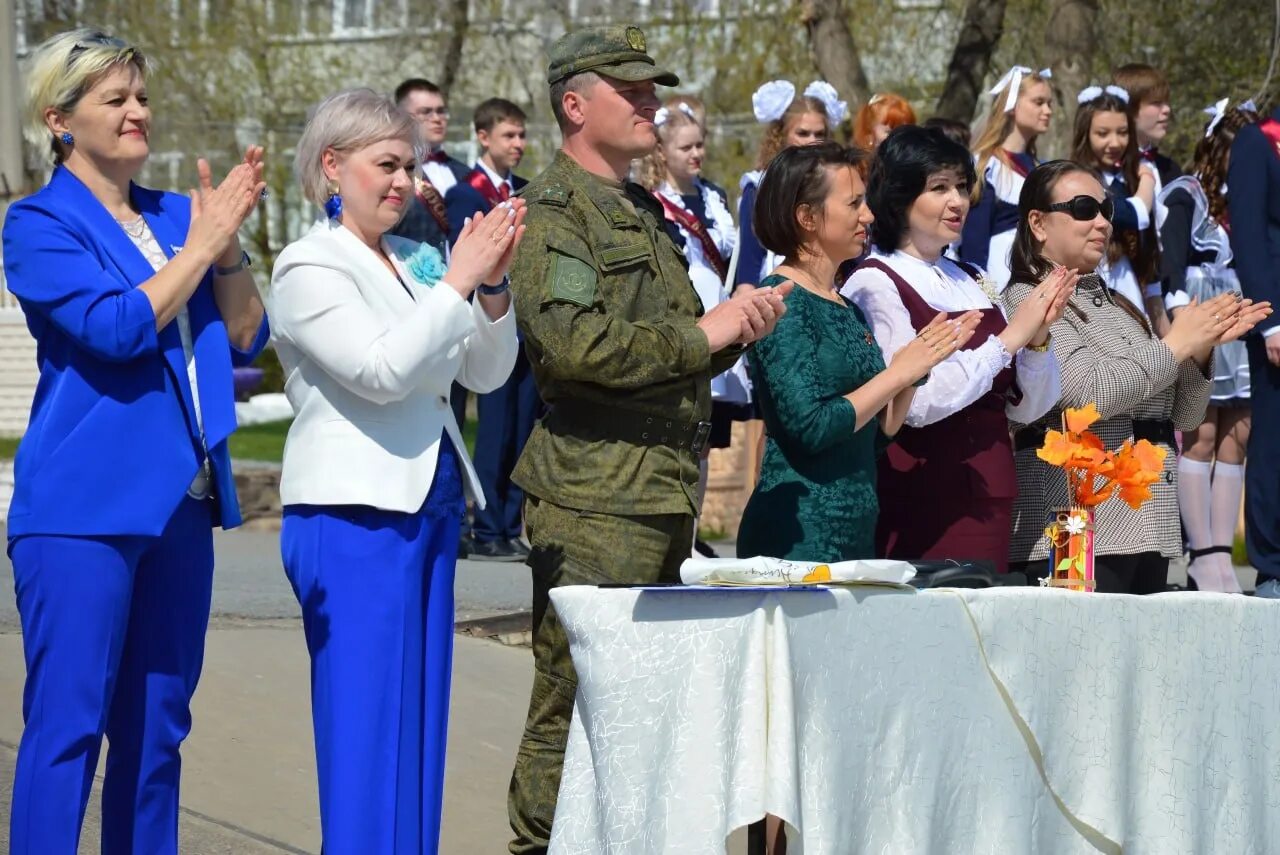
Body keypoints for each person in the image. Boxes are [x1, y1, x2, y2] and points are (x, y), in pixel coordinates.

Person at [504, 26, 791, 854]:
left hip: (660, 496)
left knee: (646, 715)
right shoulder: (555, 211)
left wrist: (740, 328)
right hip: (595, 501)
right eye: (629, 91)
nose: (649, 104)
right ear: (573, 104)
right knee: (575, 702)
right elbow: (574, 346)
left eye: (651, 90)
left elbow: (667, 343)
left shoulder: (639, 207)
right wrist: (707, 336)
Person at [3, 28, 269, 852]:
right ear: (59, 119)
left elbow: (250, 334)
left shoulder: (181, 214)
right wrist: (197, 247)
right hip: (82, 512)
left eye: (141, 98)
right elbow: (114, 328)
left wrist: (224, 253)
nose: (137, 114)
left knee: (158, 733)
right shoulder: (37, 224)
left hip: (180, 507)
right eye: (114, 100)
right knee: (68, 729)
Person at [268, 88, 522, 852]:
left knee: (416, 733)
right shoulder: (307, 264)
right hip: (351, 518)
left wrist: (493, 285)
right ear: (331, 166)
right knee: (364, 740)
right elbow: (379, 371)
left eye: (409, 165)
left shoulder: (415, 260)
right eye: (385, 164)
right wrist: (454, 286)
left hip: (428, 508)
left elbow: (485, 369)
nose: (402, 181)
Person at [1004, 160, 1269, 594]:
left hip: (1148, 519)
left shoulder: (1119, 305)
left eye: (1107, 210)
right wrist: (1175, 346)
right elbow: (1084, 394)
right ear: (1038, 223)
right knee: (1083, 657)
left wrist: (1201, 348)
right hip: (1077, 523)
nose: (1102, 222)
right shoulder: (1026, 299)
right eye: (1084, 208)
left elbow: (1182, 417)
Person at [843, 125, 1070, 574]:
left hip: (992, 491)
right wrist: (1009, 339)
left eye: (963, 187)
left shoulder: (971, 276)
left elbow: (1025, 410)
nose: (958, 201)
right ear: (900, 196)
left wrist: (1039, 338)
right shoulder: (874, 280)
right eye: (939, 188)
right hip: (923, 496)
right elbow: (916, 402)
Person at [737, 142, 979, 561]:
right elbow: (812, 427)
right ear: (807, 217)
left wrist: (915, 367)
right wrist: (896, 376)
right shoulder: (781, 302)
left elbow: (873, 439)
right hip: (797, 535)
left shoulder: (845, 306)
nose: (867, 215)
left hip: (855, 530)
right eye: (853, 204)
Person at [636, 97, 747, 554]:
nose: (696, 154)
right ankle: (674, 532)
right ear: (662, 151)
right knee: (679, 431)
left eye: (701, 145)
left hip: (718, 309)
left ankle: (695, 530)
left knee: (707, 436)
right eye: (686, 147)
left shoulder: (715, 197)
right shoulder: (649, 199)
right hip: (682, 316)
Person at [1163, 101, 1259, 592]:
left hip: (1238, 319)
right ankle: (1201, 553)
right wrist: (1186, 321)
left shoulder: (1245, 198)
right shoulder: (1187, 194)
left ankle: (1222, 552)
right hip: (1203, 314)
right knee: (1199, 434)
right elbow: (1172, 261)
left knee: (1235, 433)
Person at [446, 97, 538, 562]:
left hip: (524, 321)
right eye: (509, 135)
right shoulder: (467, 191)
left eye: (522, 135)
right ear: (484, 137)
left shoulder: (527, 189)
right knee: (496, 428)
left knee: (522, 427)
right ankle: (485, 525)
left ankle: (508, 524)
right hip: (489, 320)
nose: (518, 144)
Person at [1228, 97, 1280, 599]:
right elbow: (1248, 233)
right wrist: (1271, 322)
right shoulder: (1258, 140)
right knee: (1274, 443)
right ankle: (1273, 565)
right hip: (1279, 320)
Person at [735, 79, 844, 288]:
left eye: (819, 134)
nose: (812, 140)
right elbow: (749, 261)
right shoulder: (759, 186)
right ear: (781, 136)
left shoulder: (839, 184)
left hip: (829, 286)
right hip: (776, 289)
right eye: (802, 133)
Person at [960, 65, 1053, 289]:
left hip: (1043, 278)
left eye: (1049, 103)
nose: (1048, 111)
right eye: (1039, 102)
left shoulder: (1040, 166)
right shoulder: (985, 164)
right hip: (1003, 280)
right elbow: (974, 245)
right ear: (1012, 105)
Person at [1070, 85, 1160, 317]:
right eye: (1102, 133)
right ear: (1085, 134)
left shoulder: (1129, 178)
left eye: (1122, 132)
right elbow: (1136, 214)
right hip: (1090, 288)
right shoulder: (1077, 181)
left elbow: (1148, 247)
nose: (1115, 142)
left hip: (1129, 285)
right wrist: (1148, 177)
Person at [1112, 63, 1182, 188]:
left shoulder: (1171, 170)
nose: (1167, 109)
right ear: (1128, 108)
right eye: (1156, 103)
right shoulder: (1108, 171)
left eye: (1167, 102)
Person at [852, 92, 917, 149]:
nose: (900, 137)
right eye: (889, 132)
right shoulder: (858, 162)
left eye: (906, 132)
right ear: (870, 130)